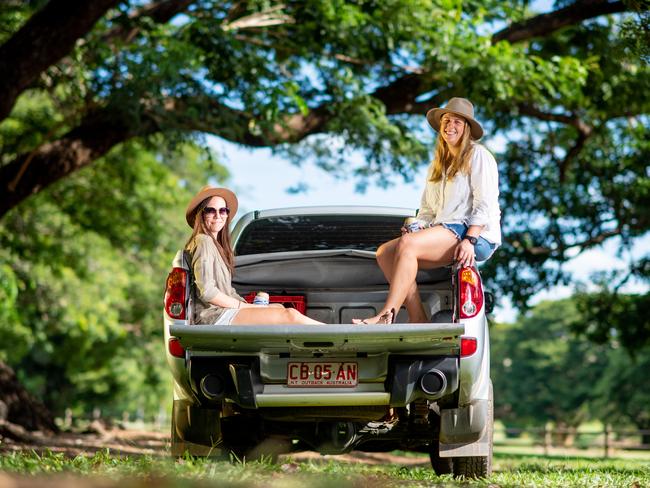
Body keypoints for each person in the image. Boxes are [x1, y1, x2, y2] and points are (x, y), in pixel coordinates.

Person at [354, 97, 501, 325]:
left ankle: (386, 314)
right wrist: (417, 227)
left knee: (408, 246)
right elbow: (428, 211)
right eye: (446, 120)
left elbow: (486, 202)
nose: (449, 126)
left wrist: (470, 240)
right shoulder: (438, 165)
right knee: (385, 253)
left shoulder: (478, 155)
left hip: (475, 235)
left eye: (457, 122)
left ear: (467, 129)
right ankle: (418, 317)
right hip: (446, 228)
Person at [185, 186, 323, 325]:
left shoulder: (217, 247)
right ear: (201, 214)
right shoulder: (203, 241)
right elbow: (207, 291)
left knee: (278, 307)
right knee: (290, 315)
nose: (218, 215)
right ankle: (332, 334)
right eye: (210, 210)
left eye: (223, 210)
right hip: (213, 316)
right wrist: (245, 307)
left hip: (224, 312)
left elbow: (228, 291)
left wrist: (251, 306)